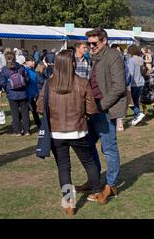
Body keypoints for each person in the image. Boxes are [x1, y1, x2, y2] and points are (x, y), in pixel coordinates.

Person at [36, 50, 102, 216]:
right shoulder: (82, 82)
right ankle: (97, 192)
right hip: (78, 131)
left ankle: (69, 203)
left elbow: (39, 107)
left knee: (64, 168)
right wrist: (83, 114)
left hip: (57, 133)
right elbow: (92, 109)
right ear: (73, 63)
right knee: (89, 162)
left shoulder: (49, 84)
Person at [77, 27, 126, 205]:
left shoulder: (113, 56)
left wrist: (100, 106)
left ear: (104, 41)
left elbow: (119, 87)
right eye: (88, 44)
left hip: (106, 110)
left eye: (94, 43)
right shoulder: (96, 57)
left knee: (109, 148)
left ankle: (111, 185)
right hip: (94, 110)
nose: (91, 47)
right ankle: (94, 180)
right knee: (86, 144)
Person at [0, 52, 30, 136]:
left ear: (6, 59)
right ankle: (27, 130)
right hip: (23, 93)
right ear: (15, 58)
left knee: (14, 113)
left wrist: (7, 90)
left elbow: (2, 82)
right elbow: (27, 79)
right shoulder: (21, 67)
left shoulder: (5, 69)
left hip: (12, 94)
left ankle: (17, 131)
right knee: (25, 113)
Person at [127, 45, 146, 126]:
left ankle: (138, 114)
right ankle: (137, 119)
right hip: (141, 82)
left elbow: (130, 73)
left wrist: (127, 84)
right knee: (136, 101)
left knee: (129, 102)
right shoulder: (141, 59)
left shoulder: (131, 60)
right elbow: (143, 71)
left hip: (134, 83)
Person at [24, 56, 41, 130]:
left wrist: (37, 93)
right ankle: (19, 125)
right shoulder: (25, 71)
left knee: (34, 111)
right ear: (27, 62)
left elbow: (35, 83)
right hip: (27, 95)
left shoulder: (33, 70)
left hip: (33, 94)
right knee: (25, 112)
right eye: (32, 61)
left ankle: (39, 125)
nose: (34, 62)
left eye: (34, 61)